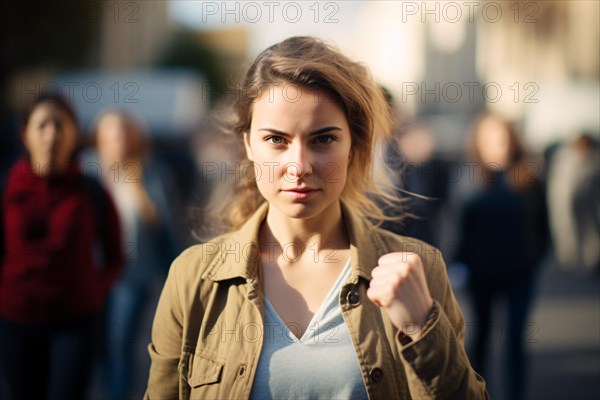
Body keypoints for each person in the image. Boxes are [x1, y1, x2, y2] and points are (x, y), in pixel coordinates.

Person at [145, 36, 489, 399]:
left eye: (323, 139)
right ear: (247, 143)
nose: (300, 166)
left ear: (354, 145)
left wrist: (422, 329)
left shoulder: (419, 270)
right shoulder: (193, 279)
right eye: (276, 140)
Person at [0, 94, 124, 400]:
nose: (51, 134)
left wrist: (95, 291)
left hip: (75, 323)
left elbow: (116, 255)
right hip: (16, 322)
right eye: (42, 125)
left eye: (60, 125)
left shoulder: (90, 191)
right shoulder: (6, 188)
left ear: (74, 134)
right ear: (25, 134)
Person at [456, 113, 548, 400]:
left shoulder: (528, 177)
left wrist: (533, 258)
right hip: (481, 274)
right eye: (490, 138)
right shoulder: (469, 179)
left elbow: (544, 225)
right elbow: (458, 228)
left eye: (503, 137)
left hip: (520, 272)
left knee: (515, 340)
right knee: (480, 337)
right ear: (478, 143)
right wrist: (461, 263)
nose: (499, 144)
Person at [89, 109, 178, 399]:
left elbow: (163, 225)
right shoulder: (88, 172)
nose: (118, 142)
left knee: (120, 342)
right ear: (98, 139)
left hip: (132, 276)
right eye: (110, 136)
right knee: (97, 345)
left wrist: (137, 188)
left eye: (123, 135)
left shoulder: (148, 172)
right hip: (88, 277)